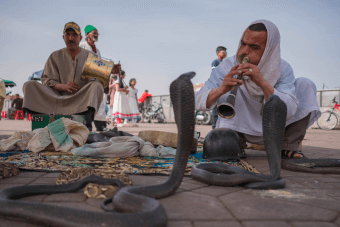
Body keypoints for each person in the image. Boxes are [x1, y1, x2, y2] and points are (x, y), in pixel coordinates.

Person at [195, 20, 321, 159]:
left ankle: (287, 146)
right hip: (239, 128)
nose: (244, 51)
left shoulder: (283, 68)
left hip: (275, 129)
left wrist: (262, 82)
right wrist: (221, 89)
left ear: (269, 50)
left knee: (306, 84)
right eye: (243, 44)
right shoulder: (226, 66)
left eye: (254, 47)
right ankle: (236, 144)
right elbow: (198, 100)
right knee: (226, 90)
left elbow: (289, 110)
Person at [22, 22, 120, 131]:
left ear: (80, 38)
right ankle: (43, 121)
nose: (70, 38)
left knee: (96, 85)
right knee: (29, 85)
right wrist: (62, 86)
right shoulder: (55, 56)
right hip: (55, 98)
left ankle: (85, 122)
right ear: (63, 37)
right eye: (67, 35)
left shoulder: (90, 56)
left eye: (74, 35)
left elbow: (100, 80)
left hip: (80, 99)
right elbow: (46, 79)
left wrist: (110, 71)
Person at [211, 46, 227, 129]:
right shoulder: (216, 62)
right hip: (217, 87)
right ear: (218, 53)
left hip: (224, 88)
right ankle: (215, 127)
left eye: (225, 52)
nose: (225, 54)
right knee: (216, 107)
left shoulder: (225, 63)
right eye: (223, 52)